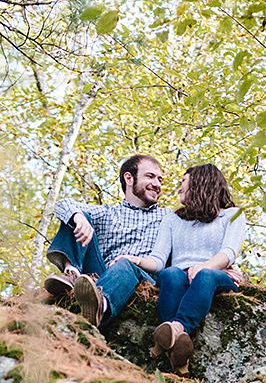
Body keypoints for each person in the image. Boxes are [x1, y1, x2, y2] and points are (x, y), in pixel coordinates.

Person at [84, 163, 246, 371]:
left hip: (216, 275)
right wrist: (136, 260)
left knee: (205, 275)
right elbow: (159, 260)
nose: (179, 188)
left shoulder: (233, 214)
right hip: (181, 275)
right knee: (170, 274)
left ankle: (178, 327)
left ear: (200, 183)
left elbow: (229, 251)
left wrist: (204, 266)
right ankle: (177, 348)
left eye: (183, 183)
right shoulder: (173, 219)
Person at [42, 154, 166, 305]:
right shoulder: (108, 213)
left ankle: (101, 305)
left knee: (125, 264)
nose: (157, 184)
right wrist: (78, 217)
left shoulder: (166, 217)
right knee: (77, 216)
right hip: (100, 274)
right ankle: (72, 274)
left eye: (160, 180)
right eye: (150, 176)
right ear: (128, 178)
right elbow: (62, 204)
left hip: (139, 276)